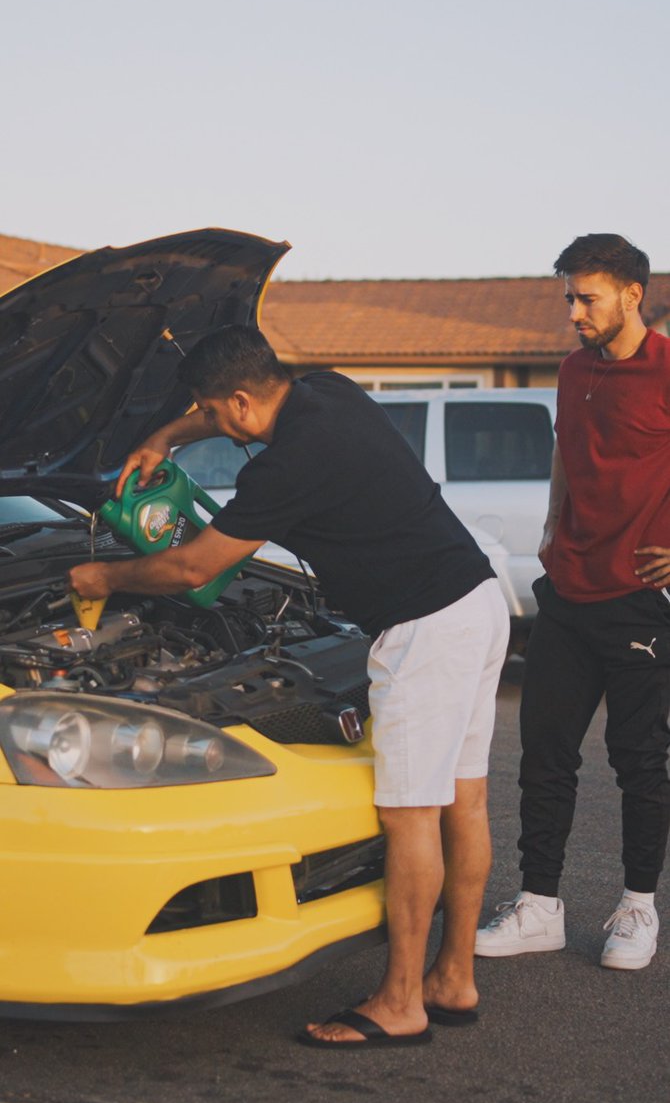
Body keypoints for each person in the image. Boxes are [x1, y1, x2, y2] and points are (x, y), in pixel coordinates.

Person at [69, 324, 509, 1046]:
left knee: (410, 816)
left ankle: (401, 1002)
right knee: (464, 799)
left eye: (212, 414)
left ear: (241, 402)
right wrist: (169, 436)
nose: (211, 425)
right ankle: (452, 978)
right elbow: (215, 416)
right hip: (476, 604)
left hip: (424, 630)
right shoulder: (328, 391)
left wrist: (101, 577)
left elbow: (193, 569)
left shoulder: (284, 469)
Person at [475, 233, 670, 971]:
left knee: (639, 761)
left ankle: (637, 909)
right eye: (569, 298)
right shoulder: (572, 371)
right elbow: (566, 448)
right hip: (568, 592)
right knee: (543, 757)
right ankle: (540, 906)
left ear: (631, 294)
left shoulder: (666, 368)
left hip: (639, 601)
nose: (574, 313)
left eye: (587, 298)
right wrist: (555, 521)